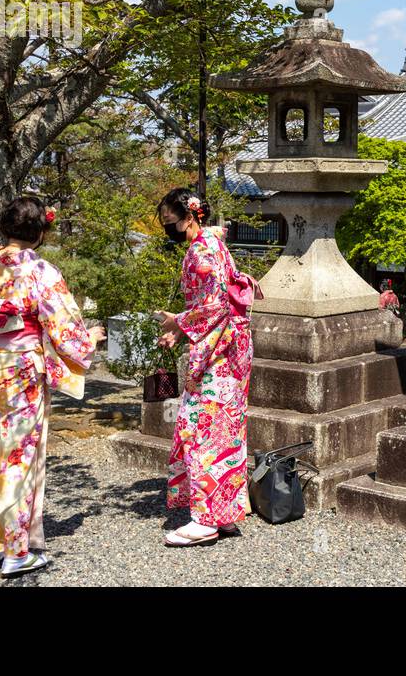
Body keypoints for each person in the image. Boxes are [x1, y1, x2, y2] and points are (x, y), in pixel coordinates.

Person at [0, 197, 103, 579]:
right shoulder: (40, 271)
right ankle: (16, 551)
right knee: (17, 456)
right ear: (41, 233)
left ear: (4, 229)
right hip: (19, 373)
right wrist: (91, 339)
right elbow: (65, 330)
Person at [154, 188, 252, 547]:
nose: (169, 228)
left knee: (206, 426)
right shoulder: (214, 242)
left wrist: (179, 321)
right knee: (226, 425)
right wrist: (181, 332)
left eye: (171, 221)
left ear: (190, 216)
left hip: (220, 347)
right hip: (229, 343)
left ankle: (207, 519)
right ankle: (223, 512)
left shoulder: (202, 249)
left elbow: (214, 305)